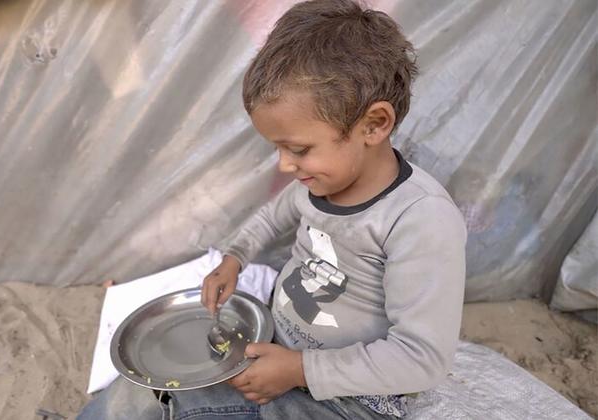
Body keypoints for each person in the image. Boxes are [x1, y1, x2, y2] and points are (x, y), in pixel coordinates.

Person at [78, 0, 466, 418]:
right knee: (143, 387)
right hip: (279, 345)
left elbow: (422, 358)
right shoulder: (319, 181)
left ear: (373, 125)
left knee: (189, 404)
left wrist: (300, 369)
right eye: (278, 148)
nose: (284, 164)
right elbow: (271, 218)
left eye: (298, 149)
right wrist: (234, 259)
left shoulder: (419, 220)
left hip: (351, 399)